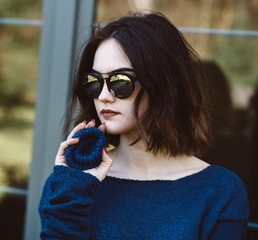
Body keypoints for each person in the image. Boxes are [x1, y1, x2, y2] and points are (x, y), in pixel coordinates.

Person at [38, 12, 249, 239]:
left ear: (163, 84)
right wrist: (71, 188)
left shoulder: (220, 191)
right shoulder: (73, 183)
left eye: (120, 82)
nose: (103, 96)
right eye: (94, 82)